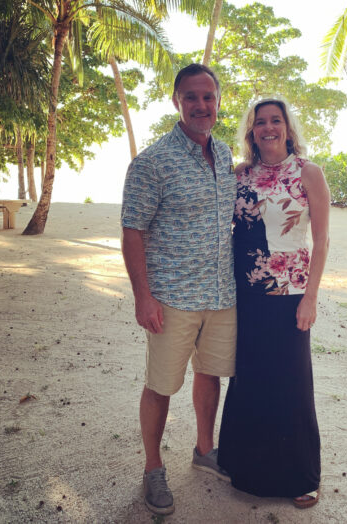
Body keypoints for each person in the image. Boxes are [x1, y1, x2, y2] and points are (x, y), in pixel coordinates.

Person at [120, 64, 237, 516]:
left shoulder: (225, 155)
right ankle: (153, 468)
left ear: (218, 102)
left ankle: (204, 450)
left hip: (221, 295)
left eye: (208, 97)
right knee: (161, 386)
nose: (201, 105)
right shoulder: (152, 161)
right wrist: (142, 297)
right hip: (171, 296)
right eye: (191, 97)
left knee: (210, 375)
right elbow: (133, 231)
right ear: (176, 102)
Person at [218, 97, 330, 508]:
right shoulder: (240, 175)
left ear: (287, 127)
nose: (268, 128)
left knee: (292, 380)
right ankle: (244, 465)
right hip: (244, 291)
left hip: (290, 293)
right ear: (251, 130)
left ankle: (303, 475)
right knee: (248, 377)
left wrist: (311, 298)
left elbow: (322, 241)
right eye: (260, 122)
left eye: (276, 121)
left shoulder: (309, 173)